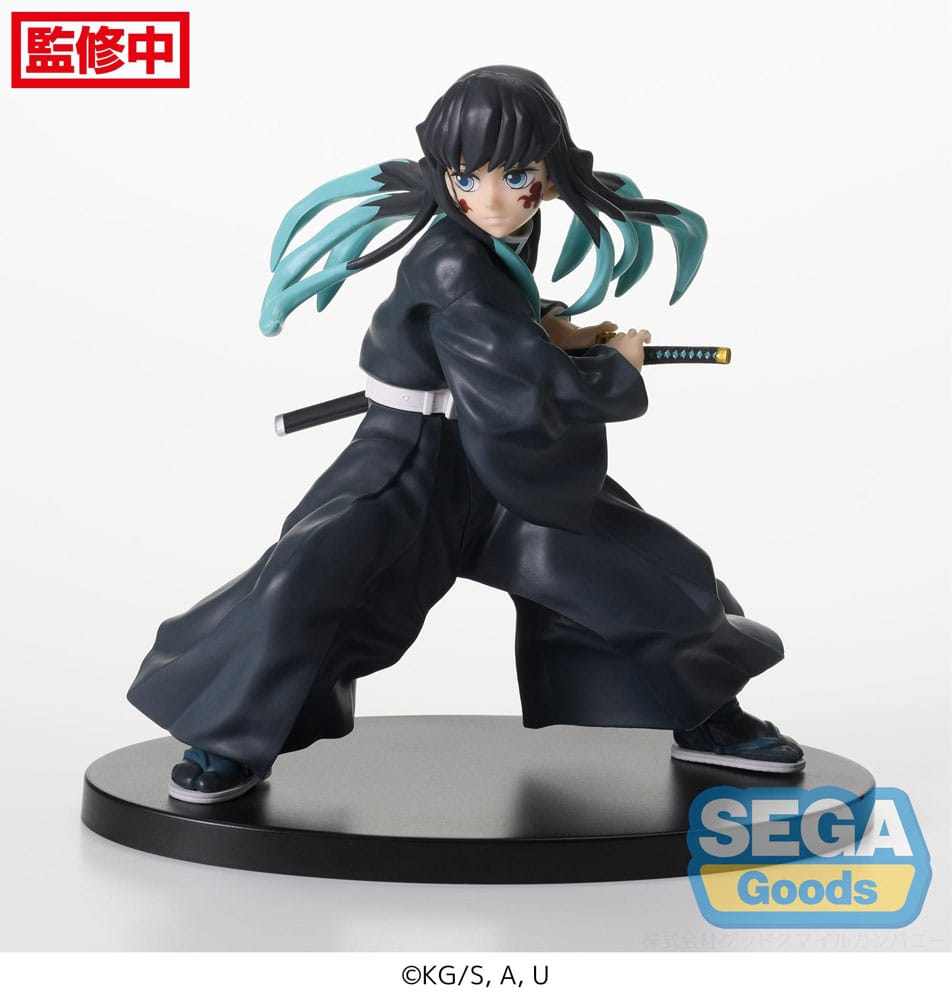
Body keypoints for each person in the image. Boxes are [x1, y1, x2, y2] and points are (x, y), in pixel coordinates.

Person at [128, 66, 803, 805]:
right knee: (311, 579)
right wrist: (616, 364)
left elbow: (501, 333)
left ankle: (706, 715)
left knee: (633, 573)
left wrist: (553, 328)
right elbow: (525, 386)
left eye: (514, 176)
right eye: (466, 177)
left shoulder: (502, 235)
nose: (490, 199)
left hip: (501, 465)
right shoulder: (449, 256)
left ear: (549, 173)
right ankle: (227, 738)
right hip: (411, 464)